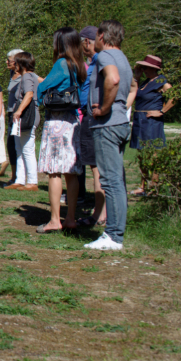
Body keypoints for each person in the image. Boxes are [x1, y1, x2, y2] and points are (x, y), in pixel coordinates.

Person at [85, 20, 134, 251]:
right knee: (118, 181)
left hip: (106, 125)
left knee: (111, 181)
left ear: (102, 36)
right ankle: (116, 233)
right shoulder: (123, 58)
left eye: (96, 36)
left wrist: (104, 109)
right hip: (121, 123)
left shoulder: (105, 57)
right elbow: (131, 86)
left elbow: (113, 80)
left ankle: (113, 236)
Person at [35, 27, 86, 234]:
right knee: (71, 172)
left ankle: (55, 219)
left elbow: (42, 87)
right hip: (72, 121)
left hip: (56, 122)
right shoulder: (79, 65)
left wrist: (41, 99)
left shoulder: (61, 64)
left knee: (54, 171)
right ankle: (71, 218)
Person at [129, 55, 174, 196]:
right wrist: (136, 77)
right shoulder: (144, 82)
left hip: (151, 122)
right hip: (140, 120)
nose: (144, 69)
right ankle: (143, 186)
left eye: (146, 67)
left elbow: (174, 95)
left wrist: (161, 112)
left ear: (154, 68)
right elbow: (133, 92)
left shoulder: (160, 80)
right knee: (142, 155)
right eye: (142, 67)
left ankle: (154, 188)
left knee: (152, 155)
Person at [76, 27, 106, 227]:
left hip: (93, 117)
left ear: (88, 42)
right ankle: (101, 211)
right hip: (91, 115)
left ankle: (100, 214)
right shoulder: (97, 62)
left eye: (82, 43)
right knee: (98, 167)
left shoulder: (100, 61)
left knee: (97, 168)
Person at [9, 52, 40, 191]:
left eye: (16, 63)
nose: (14, 65)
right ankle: (19, 180)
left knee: (27, 149)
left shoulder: (27, 76)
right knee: (19, 148)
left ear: (21, 64)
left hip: (27, 115)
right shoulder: (31, 76)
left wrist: (19, 111)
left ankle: (32, 181)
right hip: (23, 116)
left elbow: (29, 94)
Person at [1, 49, 24, 185]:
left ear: (17, 61)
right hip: (11, 114)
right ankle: (14, 176)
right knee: (11, 145)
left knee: (19, 146)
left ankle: (21, 177)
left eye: (8, 60)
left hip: (19, 114)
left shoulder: (25, 75)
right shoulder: (12, 73)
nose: (6, 62)